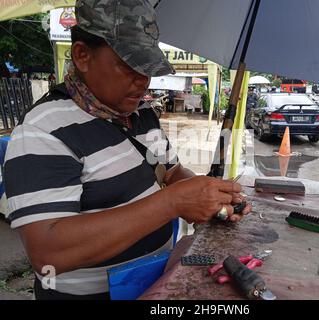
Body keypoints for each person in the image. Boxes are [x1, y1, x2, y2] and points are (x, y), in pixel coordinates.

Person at [3, 0, 251, 300]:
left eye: (147, 67)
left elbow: (170, 172)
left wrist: (208, 197)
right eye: (129, 64)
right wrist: (172, 204)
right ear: (82, 55)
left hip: (154, 282)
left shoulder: (141, 113)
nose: (142, 79)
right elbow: (48, 253)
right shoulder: (42, 131)